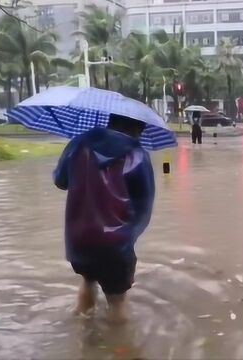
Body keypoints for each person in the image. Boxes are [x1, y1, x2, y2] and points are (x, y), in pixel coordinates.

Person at [53, 113, 155, 323]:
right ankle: (119, 349)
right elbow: (144, 206)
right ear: (137, 128)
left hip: (78, 240)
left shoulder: (80, 142)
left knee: (88, 281)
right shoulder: (137, 154)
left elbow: (60, 181)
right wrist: (128, 238)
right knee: (117, 302)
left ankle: (84, 340)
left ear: (110, 119)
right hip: (115, 244)